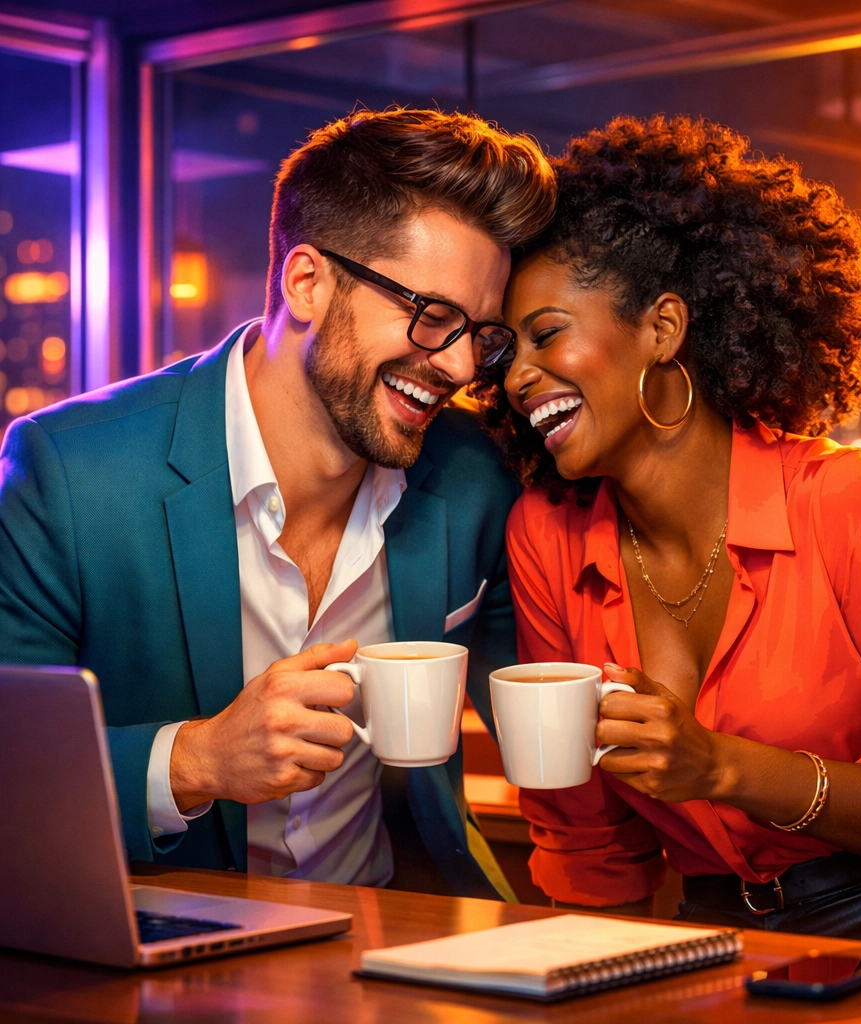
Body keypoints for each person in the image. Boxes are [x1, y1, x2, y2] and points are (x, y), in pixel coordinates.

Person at [473, 114, 861, 940]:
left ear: (662, 328)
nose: (515, 376)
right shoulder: (545, 535)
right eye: (502, 350)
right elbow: (587, 837)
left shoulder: (843, 500)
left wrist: (724, 768)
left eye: (546, 335)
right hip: (699, 936)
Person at [0, 109, 555, 899]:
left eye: (480, 335)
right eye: (431, 317)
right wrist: (197, 760)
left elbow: (538, 707)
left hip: (392, 951)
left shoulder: (473, 477)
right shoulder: (72, 471)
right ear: (306, 282)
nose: (460, 364)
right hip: (161, 952)